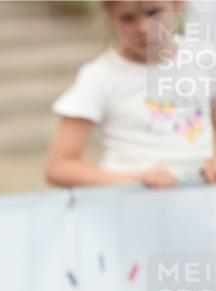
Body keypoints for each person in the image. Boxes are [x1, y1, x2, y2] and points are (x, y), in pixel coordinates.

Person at [46, 0, 216, 188]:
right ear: (111, 18)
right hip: (131, 206)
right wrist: (136, 182)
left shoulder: (204, 57)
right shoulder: (100, 76)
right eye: (128, 18)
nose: (143, 28)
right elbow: (59, 167)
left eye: (153, 12)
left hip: (200, 200)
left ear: (178, 5)